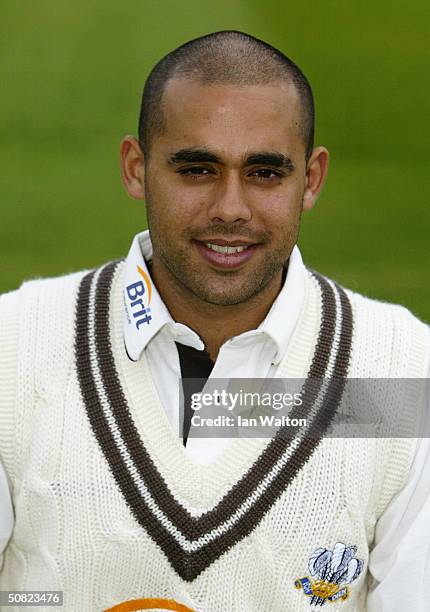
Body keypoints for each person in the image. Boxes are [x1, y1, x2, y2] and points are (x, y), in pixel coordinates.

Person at [0, 30, 429, 612]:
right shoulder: (12, 346)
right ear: (136, 168)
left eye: (266, 173)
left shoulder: (404, 371)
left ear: (313, 178)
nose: (230, 208)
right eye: (198, 169)